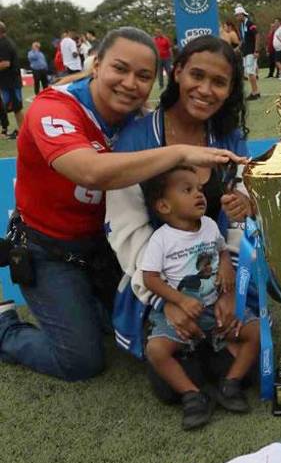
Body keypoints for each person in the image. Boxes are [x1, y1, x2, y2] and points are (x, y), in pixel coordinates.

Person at [0, 28, 242, 382]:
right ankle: (5, 325)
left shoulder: (135, 117)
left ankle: (87, 307)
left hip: (105, 247)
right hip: (52, 250)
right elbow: (90, 173)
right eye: (120, 69)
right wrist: (177, 152)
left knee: (134, 327)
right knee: (81, 360)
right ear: (96, 64)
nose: (130, 83)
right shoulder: (53, 107)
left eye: (143, 76)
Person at [105, 34, 256, 392]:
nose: (205, 89)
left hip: (220, 277)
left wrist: (228, 289)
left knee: (244, 373)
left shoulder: (229, 139)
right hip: (160, 284)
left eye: (219, 82)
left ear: (231, 89)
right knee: (172, 386)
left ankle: (212, 338)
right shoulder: (136, 140)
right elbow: (126, 230)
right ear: (177, 73)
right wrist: (166, 300)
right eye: (197, 76)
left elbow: (239, 221)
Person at [139, 166, 259, 428]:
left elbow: (222, 251)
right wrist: (178, 301)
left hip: (215, 307)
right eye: (187, 190)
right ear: (164, 206)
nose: (199, 195)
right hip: (181, 313)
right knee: (156, 350)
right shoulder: (161, 239)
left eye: (200, 189)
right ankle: (191, 396)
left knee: (258, 332)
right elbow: (150, 278)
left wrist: (226, 266)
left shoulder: (209, 225)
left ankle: (231, 383)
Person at [0, 21, 24, 139]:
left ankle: (24, 133)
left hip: (11, 82)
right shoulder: (5, 42)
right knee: (12, 108)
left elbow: (5, 63)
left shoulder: (4, 44)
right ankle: (17, 131)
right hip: (8, 82)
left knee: (16, 108)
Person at [234, 5, 261, 100]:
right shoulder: (241, 25)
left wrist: (256, 50)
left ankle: (255, 92)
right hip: (245, 52)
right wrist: (237, 49)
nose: (237, 17)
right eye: (236, 16)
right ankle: (256, 92)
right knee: (249, 72)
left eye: (238, 15)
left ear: (242, 14)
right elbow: (243, 40)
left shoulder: (249, 23)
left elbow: (257, 35)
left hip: (251, 52)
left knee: (250, 72)